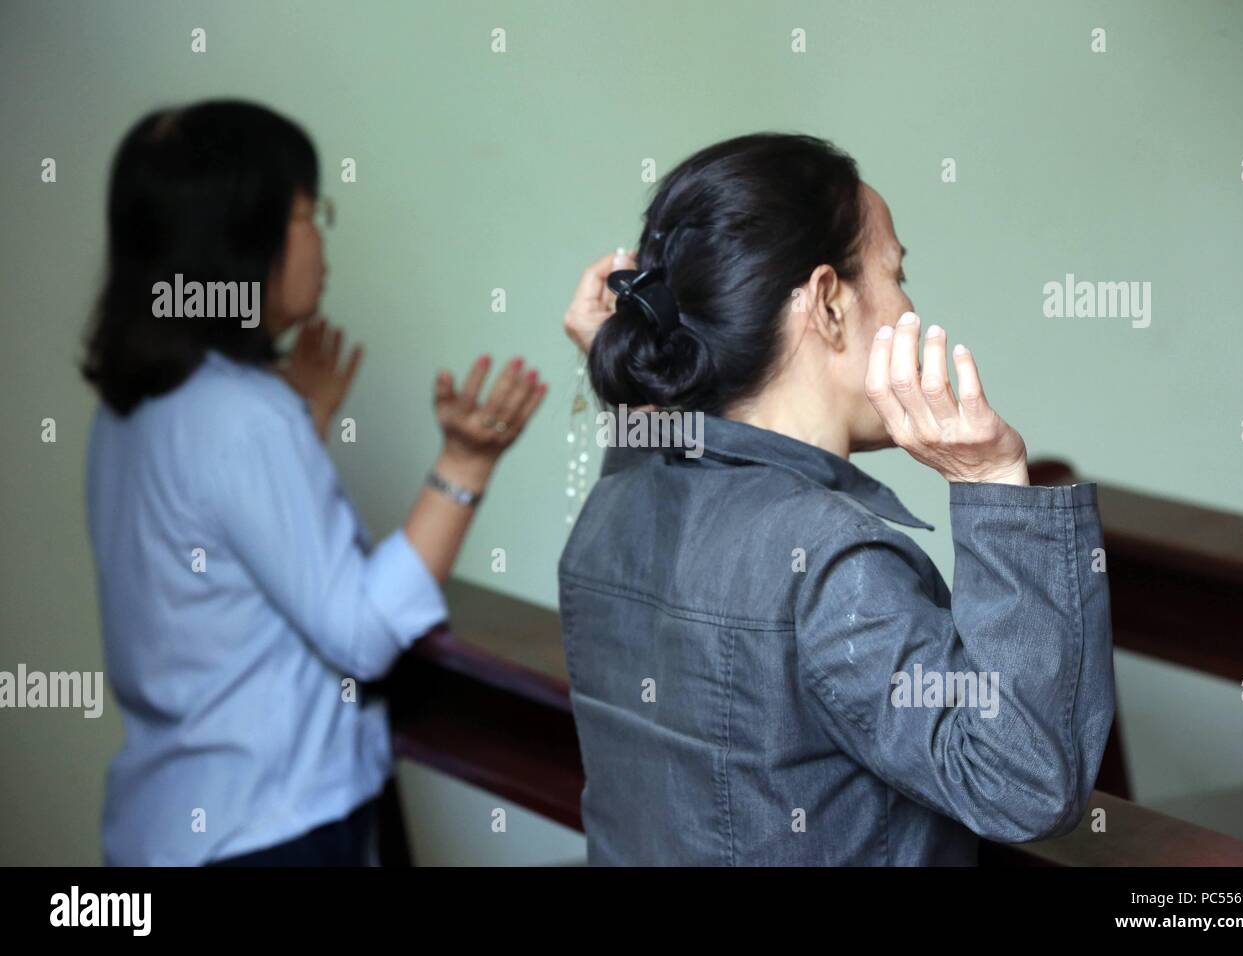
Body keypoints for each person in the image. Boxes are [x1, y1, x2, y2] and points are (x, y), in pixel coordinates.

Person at [559, 132, 1115, 865]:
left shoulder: (610, 509)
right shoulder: (830, 562)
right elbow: (1024, 786)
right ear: (826, 303)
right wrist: (992, 488)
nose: (909, 301)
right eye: (896, 272)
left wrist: (639, 386)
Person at [81, 100, 547, 865]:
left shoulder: (137, 405)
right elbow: (360, 635)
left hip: (165, 826)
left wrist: (300, 426)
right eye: (308, 213)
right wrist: (464, 465)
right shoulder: (243, 415)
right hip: (268, 830)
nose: (321, 239)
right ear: (241, 237)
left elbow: (216, 554)